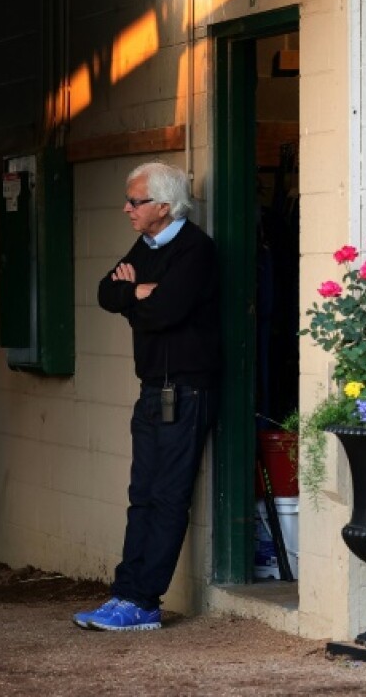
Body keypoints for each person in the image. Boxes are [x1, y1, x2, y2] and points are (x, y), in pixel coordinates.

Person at [73, 161, 221, 631]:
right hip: (152, 389)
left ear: (163, 205)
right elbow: (103, 292)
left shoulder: (194, 249)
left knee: (167, 495)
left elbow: (166, 313)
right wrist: (139, 290)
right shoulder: (147, 244)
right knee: (141, 495)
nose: (126, 209)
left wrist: (136, 298)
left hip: (187, 390)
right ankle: (125, 595)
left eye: (135, 202)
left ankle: (143, 602)